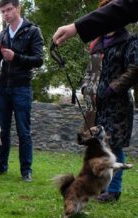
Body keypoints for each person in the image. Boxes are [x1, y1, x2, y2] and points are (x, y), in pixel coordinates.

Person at [0, 0, 44, 182]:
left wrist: (16, 57)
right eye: (2, 11)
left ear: (18, 8)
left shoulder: (33, 31)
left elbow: (39, 59)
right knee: (1, 130)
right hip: (3, 88)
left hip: (22, 88)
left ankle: (26, 170)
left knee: (23, 131)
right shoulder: (2, 34)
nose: (5, 14)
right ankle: (1, 166)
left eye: (9, 10)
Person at [89, 0, 138, 202]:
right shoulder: (97, 43)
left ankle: (114, 190)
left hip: (117, 103)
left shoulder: (129, 41)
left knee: (114, 145)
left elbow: (135, 69)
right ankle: (102, 186)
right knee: (100, 145)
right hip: (98, 103)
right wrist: (86, 89)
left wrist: (112, 88)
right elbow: (90, 72)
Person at [53, 0, 138, 45]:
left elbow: (133, 70)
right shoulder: (96, 45)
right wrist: (77, 27)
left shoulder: (128, 40)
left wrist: (77, 27)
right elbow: (92, 72)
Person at [80, 38, 102, 131]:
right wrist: (84, 88)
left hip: (107, 96)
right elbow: (88, 73)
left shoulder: (115, 54)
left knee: (107, 135)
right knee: (89, 133)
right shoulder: (94, 57)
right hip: (90, 97)